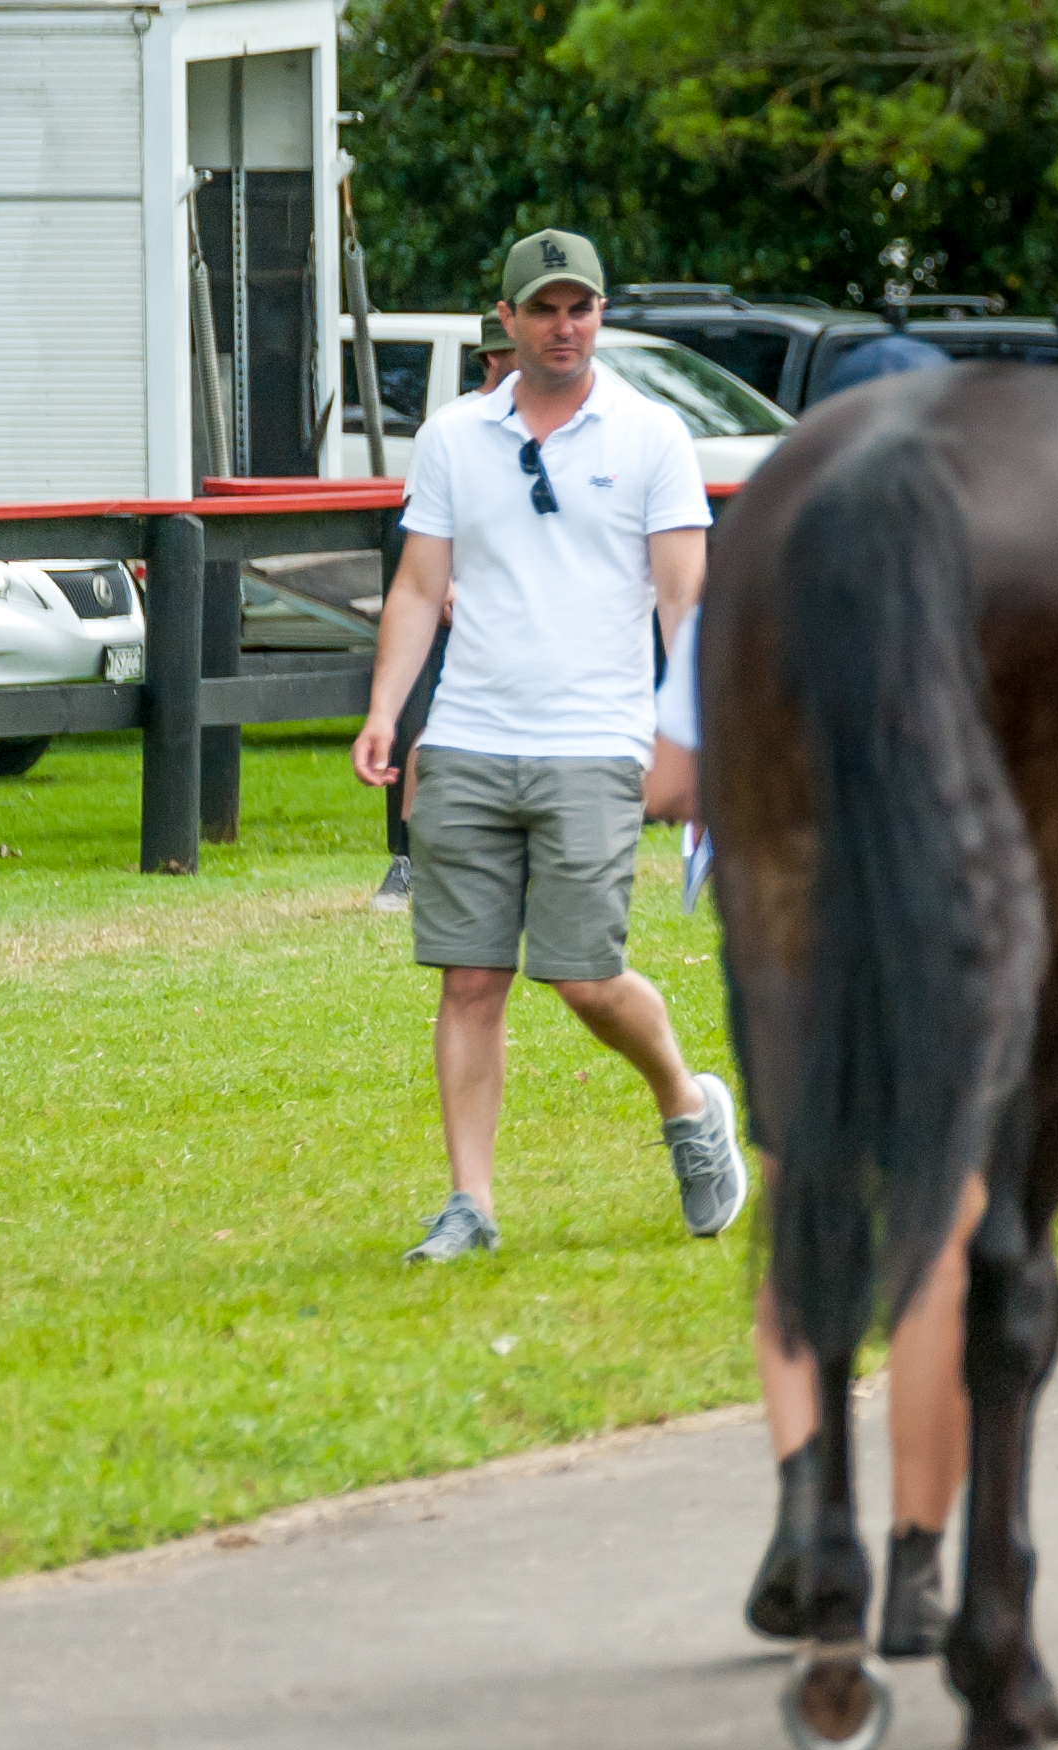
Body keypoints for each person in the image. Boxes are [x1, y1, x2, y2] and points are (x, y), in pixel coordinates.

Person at [642, 348, 967, 1653]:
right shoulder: (978, 577)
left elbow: (671, 781)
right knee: (941, 1230)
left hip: (781, 921)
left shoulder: (755, 571)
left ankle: (806, 1510)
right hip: (935, 919)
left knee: (802, 1201)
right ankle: (919, 1564)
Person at [353, 229, 747, 1262]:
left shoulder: (652, 436)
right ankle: (469, 1207)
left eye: (581, 308)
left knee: (581, 977)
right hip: (471, 739)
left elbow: (685, 603)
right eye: (544, 309)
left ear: (600, 316)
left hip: (597, 745)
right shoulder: (451, 439)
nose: (564, 327)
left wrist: (694, 746)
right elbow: (420, 588)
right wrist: (387, 709)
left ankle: (687, 1102)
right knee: (469, 978)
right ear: (508, 320)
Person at [373, 312, 523, 914]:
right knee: (431, 732)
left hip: (512, 610)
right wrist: (447, 588)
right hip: (450, 602)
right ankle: (407, 861)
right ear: (490, 357)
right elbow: (425, 528)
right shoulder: (452, 427)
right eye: (512, 351)